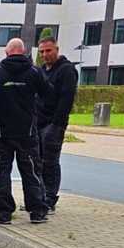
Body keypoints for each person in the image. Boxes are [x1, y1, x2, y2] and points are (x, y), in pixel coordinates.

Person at [0, 39, 53, 225]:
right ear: (24, 51)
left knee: (2, 172)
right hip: (28, 132)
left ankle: (3, 214)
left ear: (6, 52)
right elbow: (49, 95)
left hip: (1, 134)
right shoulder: (35, 72)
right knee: (31, 171)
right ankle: (37, 212)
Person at [35, 37, 78, 212]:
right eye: (42, 52)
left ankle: (50, 199)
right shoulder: (41, 71)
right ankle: (39, 198)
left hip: (53, 124)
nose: (45, 55)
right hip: (37, 123)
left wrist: (56, 124)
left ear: (56, 49)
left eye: (48, 51)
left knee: (50, 162)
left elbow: (66, 100)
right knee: (37, 162)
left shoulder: (66, 71)